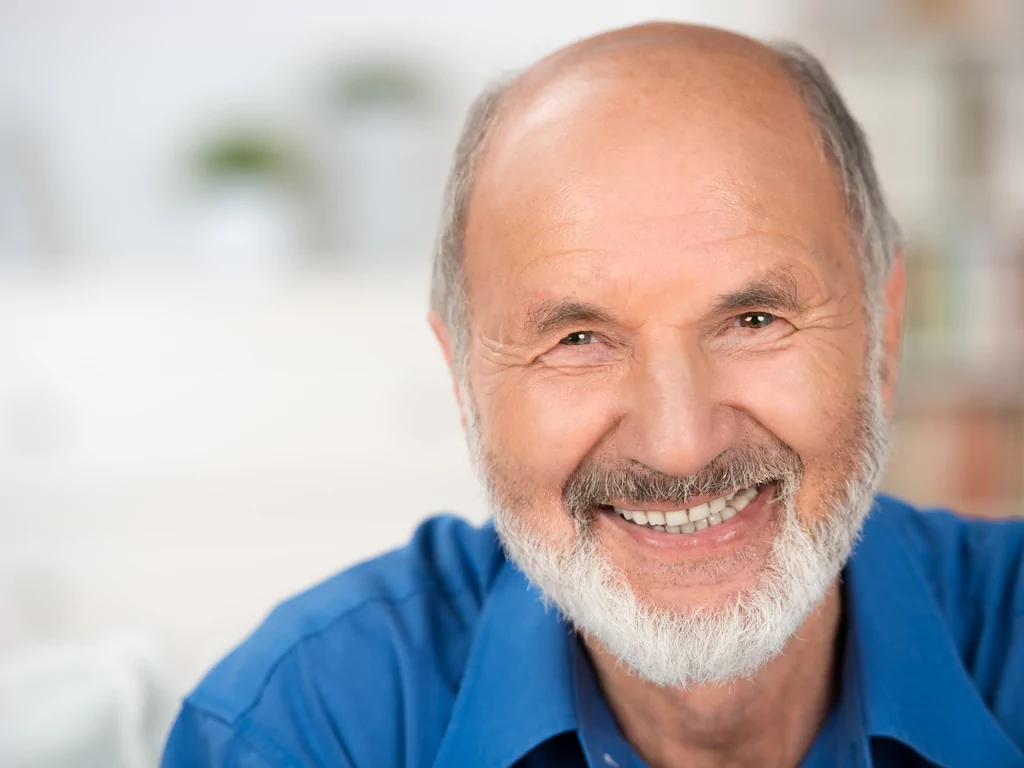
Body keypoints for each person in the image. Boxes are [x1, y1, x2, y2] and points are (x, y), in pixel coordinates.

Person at [161, 22, 1024, 768]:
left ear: (884, 332)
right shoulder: (305, 727)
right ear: (463, 379)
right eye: (578, 340)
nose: (679, 443)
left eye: (754, 320)